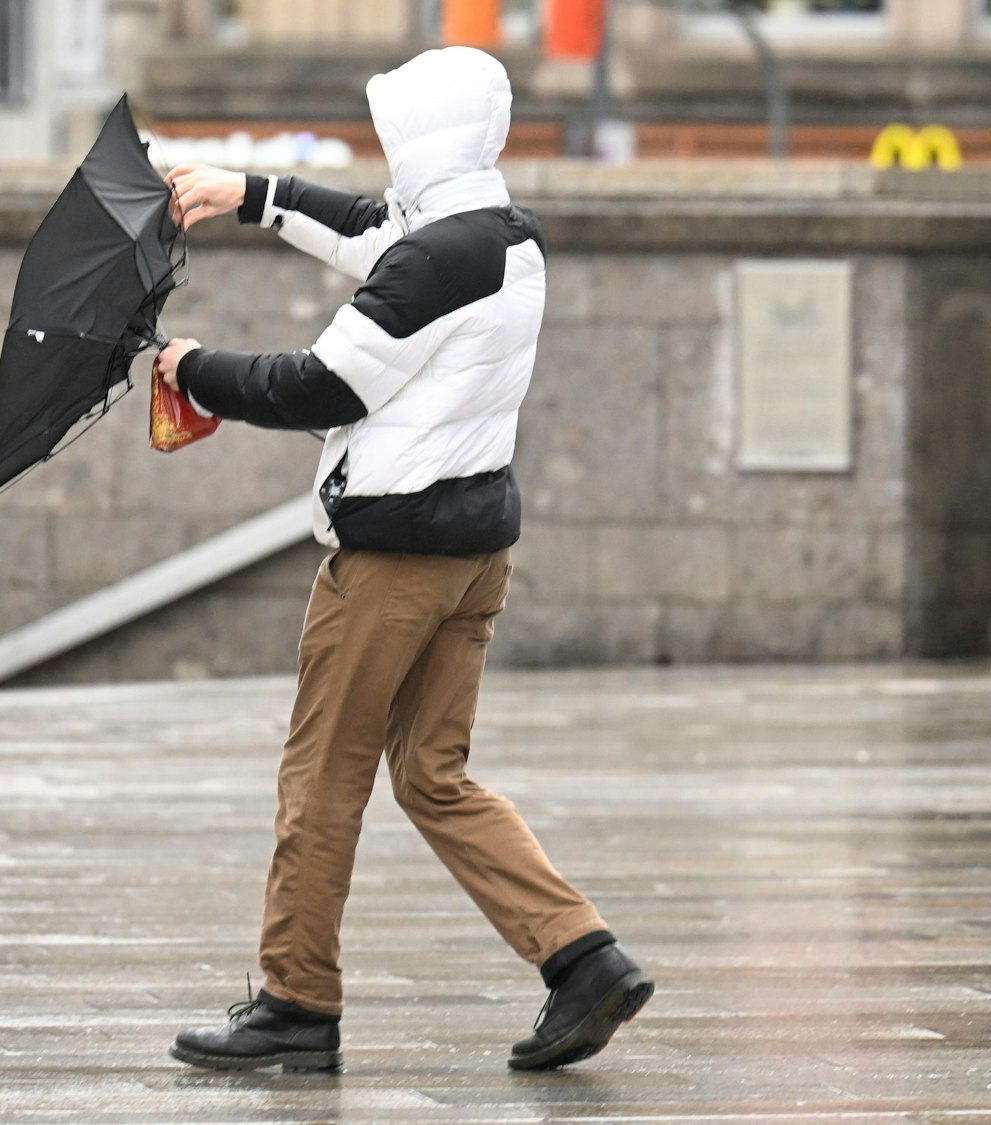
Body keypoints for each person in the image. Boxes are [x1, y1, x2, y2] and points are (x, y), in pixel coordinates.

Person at [156, 47, 650, 1074]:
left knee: (321, 778)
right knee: (433, 775)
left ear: (418, 139)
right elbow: (374, 234)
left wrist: (190, 370)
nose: (382, 160)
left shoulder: (435, 262)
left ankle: (295, 1003)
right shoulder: (504, 239)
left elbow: (321, 386)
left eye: (390, 137)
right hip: (474, 552)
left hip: (389, 561)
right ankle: (582, 959)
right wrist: (250, 194)